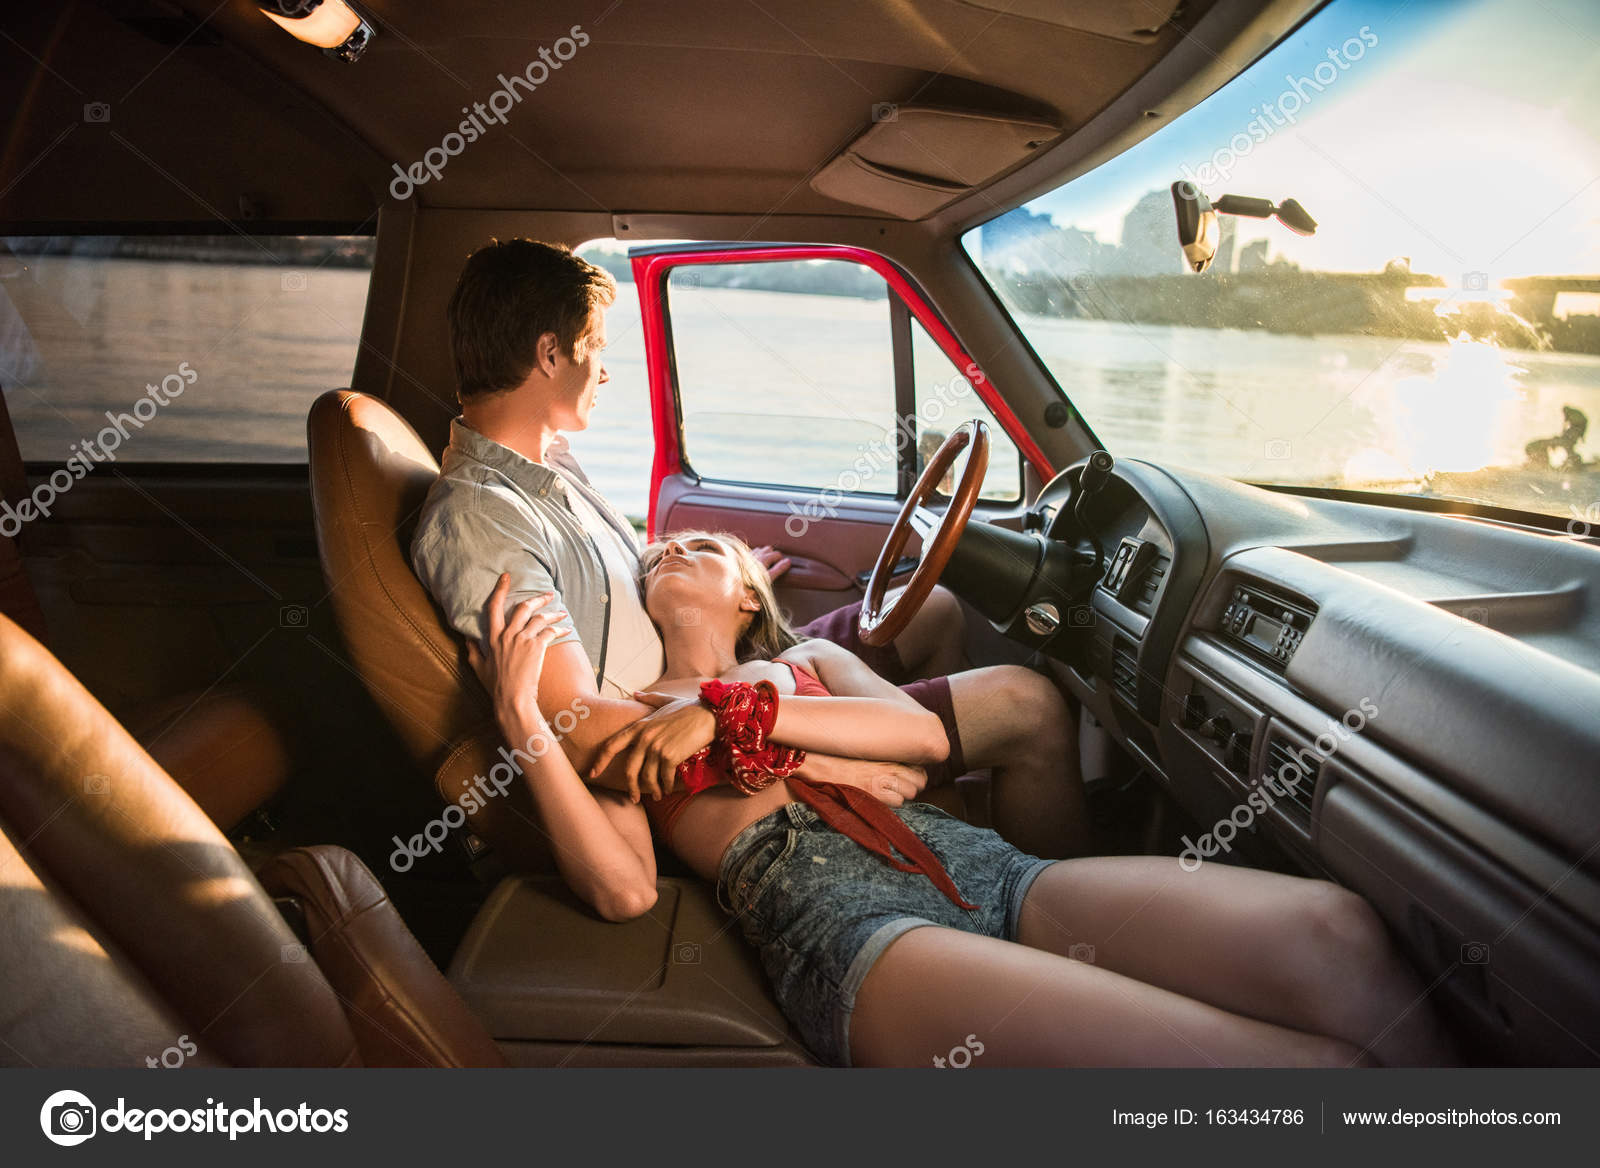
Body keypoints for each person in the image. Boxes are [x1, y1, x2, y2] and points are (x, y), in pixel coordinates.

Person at [464, 529, 1456, 1068]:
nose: (672, 553)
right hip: (847, 926)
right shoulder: (631, 713)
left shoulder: (805, 656)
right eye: (656, 555)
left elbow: (918, 740)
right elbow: (622, 887)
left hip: (985, 869)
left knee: (1337, 928)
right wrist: (521, 719)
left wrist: (738, 709)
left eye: (707, 550)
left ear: (747, 598)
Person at [411, 238, 1085, 858]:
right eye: (595, 347)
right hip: (688, 705)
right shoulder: (485, 521)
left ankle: (946, 809)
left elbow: (607, 581)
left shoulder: (547, 463)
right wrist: (812, 756)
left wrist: (721, 576)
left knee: (934, 609)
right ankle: (1009, 853)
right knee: (1030, 706)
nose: (606, 373)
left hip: (719, 678)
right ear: (550, 354)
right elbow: (576, 726)